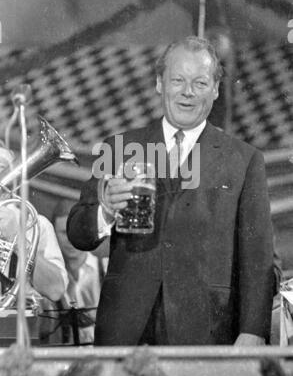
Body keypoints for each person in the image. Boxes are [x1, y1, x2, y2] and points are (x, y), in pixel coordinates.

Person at [67, 35, 275, 346]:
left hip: (207, 333)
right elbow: (77, 232)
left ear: (216, 90)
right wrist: (105, 210)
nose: (188, 92)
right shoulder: (119, 148)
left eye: (200, 83)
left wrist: (253, 331)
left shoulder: (244, 160)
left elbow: (258, 258)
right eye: (177, 80)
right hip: (125, 331)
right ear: (159, 84)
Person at [0, 145, 68, 304]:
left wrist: (18, 240)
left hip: (13, 324)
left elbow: (55, 290)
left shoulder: (36, 224)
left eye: (1, 170)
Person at [49, 199, 106, 345]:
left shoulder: (108, 268)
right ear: (53, 235)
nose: (71, 239)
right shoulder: (50, 279)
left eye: (76, 231)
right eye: (63, 233)